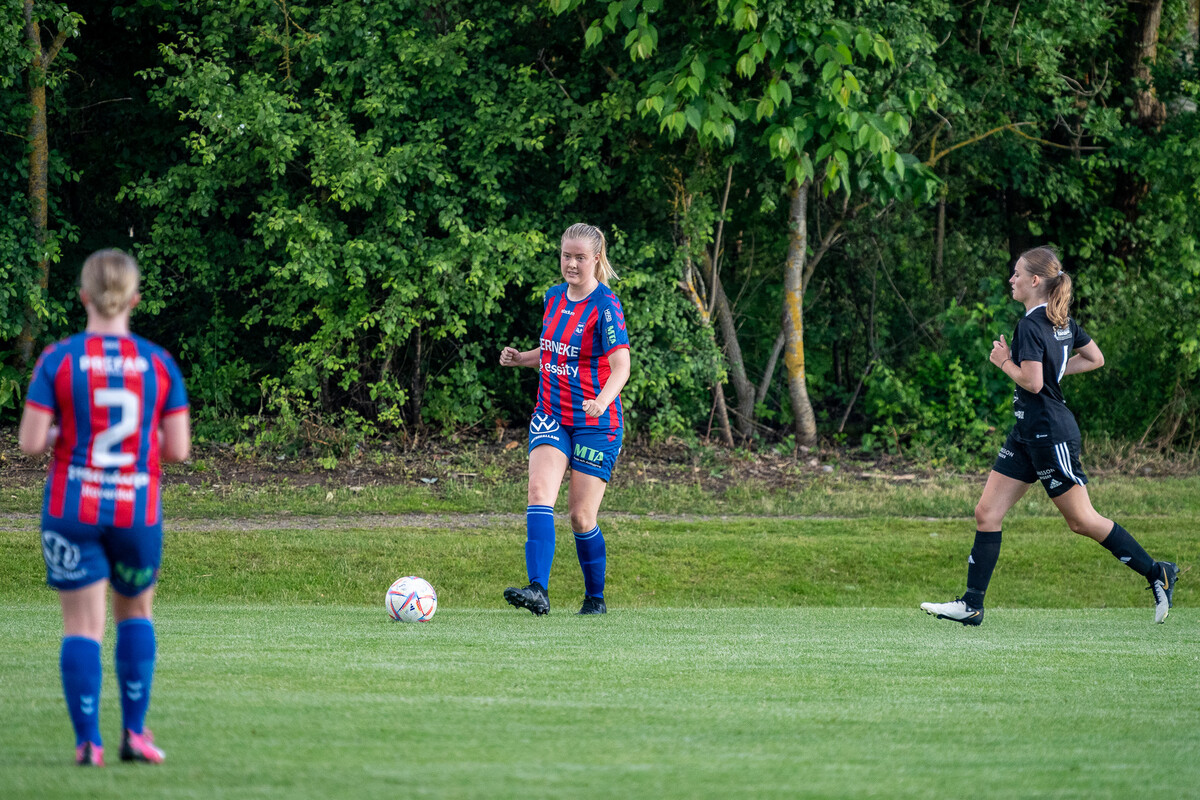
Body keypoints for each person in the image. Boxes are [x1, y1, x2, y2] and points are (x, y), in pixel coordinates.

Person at [921, 247, 1177, 626]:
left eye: (1017, 274)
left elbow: (1034, 382)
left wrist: (1004, 361)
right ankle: (971, 605)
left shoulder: (1030, 326)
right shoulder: (1061, 321)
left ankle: (1158, 572)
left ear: (1035, 280)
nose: (1012, 279)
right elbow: (1094, 358)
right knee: (987, 513)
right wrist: (1052, 369)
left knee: (1082, 520)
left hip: (1049, 434)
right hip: (1026, 432)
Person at [18, 249, 190, 766]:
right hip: (136, 509)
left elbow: (30, 443)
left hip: (73, 506)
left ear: (83, 296)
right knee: (135, 613)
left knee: (82, 628)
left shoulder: (58, 359)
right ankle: (134, 736)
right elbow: (178, 449)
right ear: (134, 299)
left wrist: (66, 437)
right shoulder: (158, 362)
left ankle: (88, 744)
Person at [499, 223, 631, 616]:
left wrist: (601, 401)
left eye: (580, 257)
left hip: (596, 422)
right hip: (551, 413)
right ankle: (537, 590)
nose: (571, 263)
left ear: (596, 259)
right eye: (566, 255)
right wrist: (521, 358)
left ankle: (595, 599)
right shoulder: (553, 297)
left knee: (580, 516)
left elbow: (621, 366)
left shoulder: (606, 306)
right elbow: (554, 351)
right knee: (539, 493)